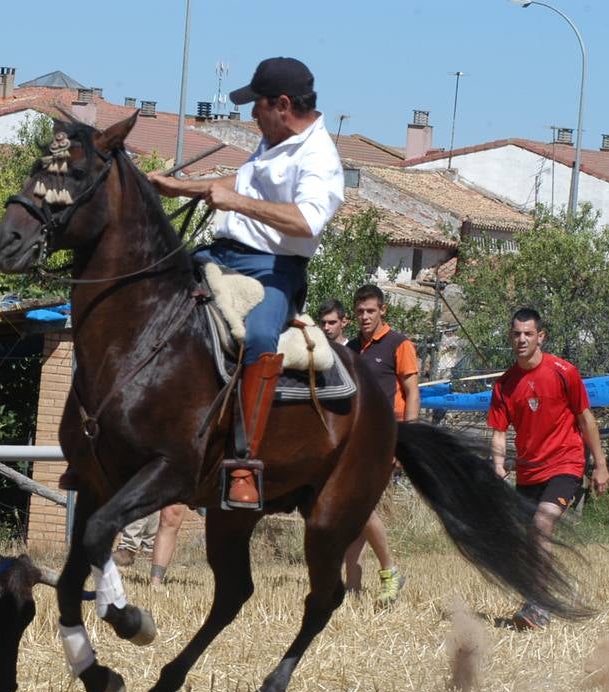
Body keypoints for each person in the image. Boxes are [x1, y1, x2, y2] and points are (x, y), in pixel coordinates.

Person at [148, 57, 343, 506]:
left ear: (283, 104)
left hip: (274, 270)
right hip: (223, 255)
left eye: (256, 104)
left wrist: (235, 202)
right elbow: (242, 184)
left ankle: (244, 464)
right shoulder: (273, 141)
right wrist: (182, 188)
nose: (251, 113)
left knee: (258, 339)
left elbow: (307, 221)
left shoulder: (319, 158)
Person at [488, 308, 609, 629]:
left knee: (542, 523)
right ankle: (549, 592)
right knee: (527, 537)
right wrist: (498, 465)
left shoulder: (564, 372)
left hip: (566, 462)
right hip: (528, 472)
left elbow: (585, 419)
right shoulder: (504, 385)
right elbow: (499, 432)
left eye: (528, 333)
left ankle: (539, 605)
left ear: (541, 336)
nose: (522, 339)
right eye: (516, 334)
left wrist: (600, 465)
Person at [345, 285, 418, 605]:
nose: (364, 317)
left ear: (382, 311)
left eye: (370, 311)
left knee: (359, 506)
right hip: (354, 440)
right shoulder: (350, 347)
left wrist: (407, 443)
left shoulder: (399, 344)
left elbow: (412, 393)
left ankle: (389, 571)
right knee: (354, 511)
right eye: (360, 312)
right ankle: (352, 586)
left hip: (386, 439)